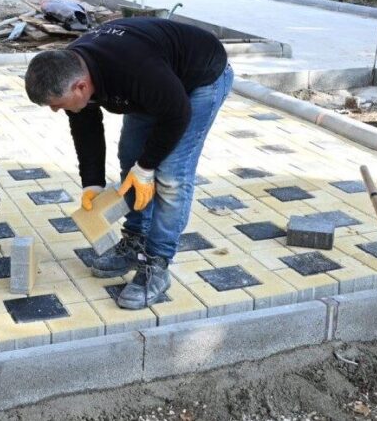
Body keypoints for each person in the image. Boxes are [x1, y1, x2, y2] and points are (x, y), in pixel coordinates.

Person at [24, 18, 233, 309]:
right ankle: (135, 239)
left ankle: (157, 263)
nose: (56, 110)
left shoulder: (133, 69)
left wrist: (147, 167)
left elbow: (177, 113)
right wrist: (92, 183)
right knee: (130, 157)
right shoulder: (72, 67)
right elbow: (86, 129)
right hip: (158, 81)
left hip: (200, 78)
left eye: (57, 103)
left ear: (81, 86)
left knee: (171, 173)